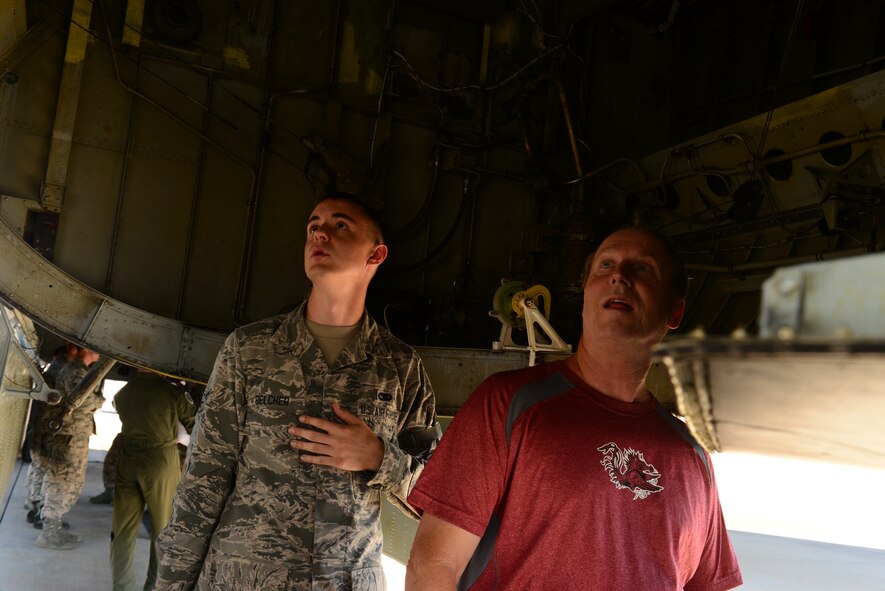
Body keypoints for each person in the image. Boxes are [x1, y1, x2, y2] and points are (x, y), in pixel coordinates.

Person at [405, 226, 743, 591]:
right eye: (606, 265)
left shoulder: (692, 453)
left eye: (643, 268)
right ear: (586, 295)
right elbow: (432, 566)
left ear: (674, 311)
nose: (618, 276)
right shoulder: (508, 404)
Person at [155, 193, 440, 590]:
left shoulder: (400, 367)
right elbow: (203, 480)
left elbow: (439, 498)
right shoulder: (250, 349)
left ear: (375, 254)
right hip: (245, 580)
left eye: (340, 225)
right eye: (313, 227)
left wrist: (378, 457)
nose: (319, 234)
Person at [110, 368, 196, 591]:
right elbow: (196, 428)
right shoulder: (173, 394)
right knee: (163, 530)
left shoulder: (124, 393)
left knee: (122, 532)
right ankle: (154, 586)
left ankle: (121, 587)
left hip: (128, 458)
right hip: (160, 461)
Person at [33, 346, 105, 550]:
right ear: (87, 349)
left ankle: (55, 528)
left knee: (71, 483)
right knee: (61, 482)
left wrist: (96, 400)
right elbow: (87, 402)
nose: (100, 353)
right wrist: (100, 399)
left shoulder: (80, 371)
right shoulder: (75, 372)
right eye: (97, 349)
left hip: (74, 435)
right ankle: (48, 535)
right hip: (67, 437)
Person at [24, 343, 77, 523]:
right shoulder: (62, 367)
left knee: (38, 465)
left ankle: (33, 503)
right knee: (45, 467)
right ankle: (37, 508)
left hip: (43, 424)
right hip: (49, 426)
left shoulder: (55, 366)